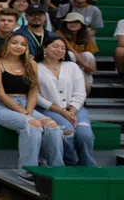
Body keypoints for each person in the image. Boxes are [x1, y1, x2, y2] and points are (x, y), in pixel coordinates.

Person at [0, 34, 63, 179]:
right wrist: (24, 113)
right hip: (1, 106)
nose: (18, 47)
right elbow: (1, 94)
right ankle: (28, 170)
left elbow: (34, 90)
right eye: (14, 43)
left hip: (26, 104)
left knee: (53, 126)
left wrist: (28, 110)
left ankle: (56, 168)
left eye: (23, 44)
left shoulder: (31, 63)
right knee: (32, 124)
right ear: (7, 45)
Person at [35, 35, 95, 166]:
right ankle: (69, 164)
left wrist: (72, 111)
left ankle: (87, 166)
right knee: (68, 131)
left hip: (75, 108)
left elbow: (80, 92)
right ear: (45, 48)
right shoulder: (36, 67)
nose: (59, 50)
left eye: (63, 48)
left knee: (85, 135)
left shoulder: (72, 66)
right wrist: (61, 112)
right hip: (49, 109)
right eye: (55, 46)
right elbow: (36, 95)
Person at [56, 13, 98, 92]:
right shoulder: (59, 33)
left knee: (88, 55)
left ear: (81, 25)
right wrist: (86, 65)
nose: (73, 24)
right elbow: (72, 51)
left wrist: (92, 66)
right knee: (70, 55)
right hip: (63, 63)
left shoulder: (85, 35)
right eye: (70, 22)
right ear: (65, 24)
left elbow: (91, 53)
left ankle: (87, 83)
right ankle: (72, 81)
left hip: (80, 65)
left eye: (76, 22)